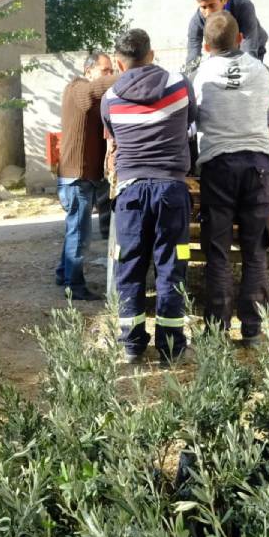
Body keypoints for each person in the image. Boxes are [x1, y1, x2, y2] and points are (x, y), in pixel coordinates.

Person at [101, 29, 197, 365]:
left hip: (130, 194)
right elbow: (191, 123)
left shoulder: (110, 97)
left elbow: (113, 140)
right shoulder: (180, 85)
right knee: (171, 269)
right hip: (171, 190)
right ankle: (171, 347)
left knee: (129, 269)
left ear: (118, 61)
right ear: (151, 54)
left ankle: (131, 345)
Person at [193, 11, 269, 348]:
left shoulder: (201, 74)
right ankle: (253, 331)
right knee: (255, 251)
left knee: (218, 252)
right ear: (240, 38)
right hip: (257, 164)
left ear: (205, 44)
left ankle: (217, 330)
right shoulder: (261, 71)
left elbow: (194, 117)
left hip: (218, 166)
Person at [52, 52, 118, 301]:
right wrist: (132, 73)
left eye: (112, 70)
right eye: (106, 70)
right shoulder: (76, 88)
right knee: (79, 235)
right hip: (75, 177)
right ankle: (74, 286)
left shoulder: (90, 94)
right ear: (88, 70)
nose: (109, 75)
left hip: (81, 176)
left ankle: (63, 273)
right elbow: (93, 92)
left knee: (74, 229)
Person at [186, 0, 268, 67]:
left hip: (253, 45)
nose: (208, 13)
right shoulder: (197, 20)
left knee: (250, 72)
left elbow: (249, 45)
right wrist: (190, 72)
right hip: (222, 53)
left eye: (212, 6)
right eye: (203, 7)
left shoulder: (243, 5)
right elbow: (193, 51)